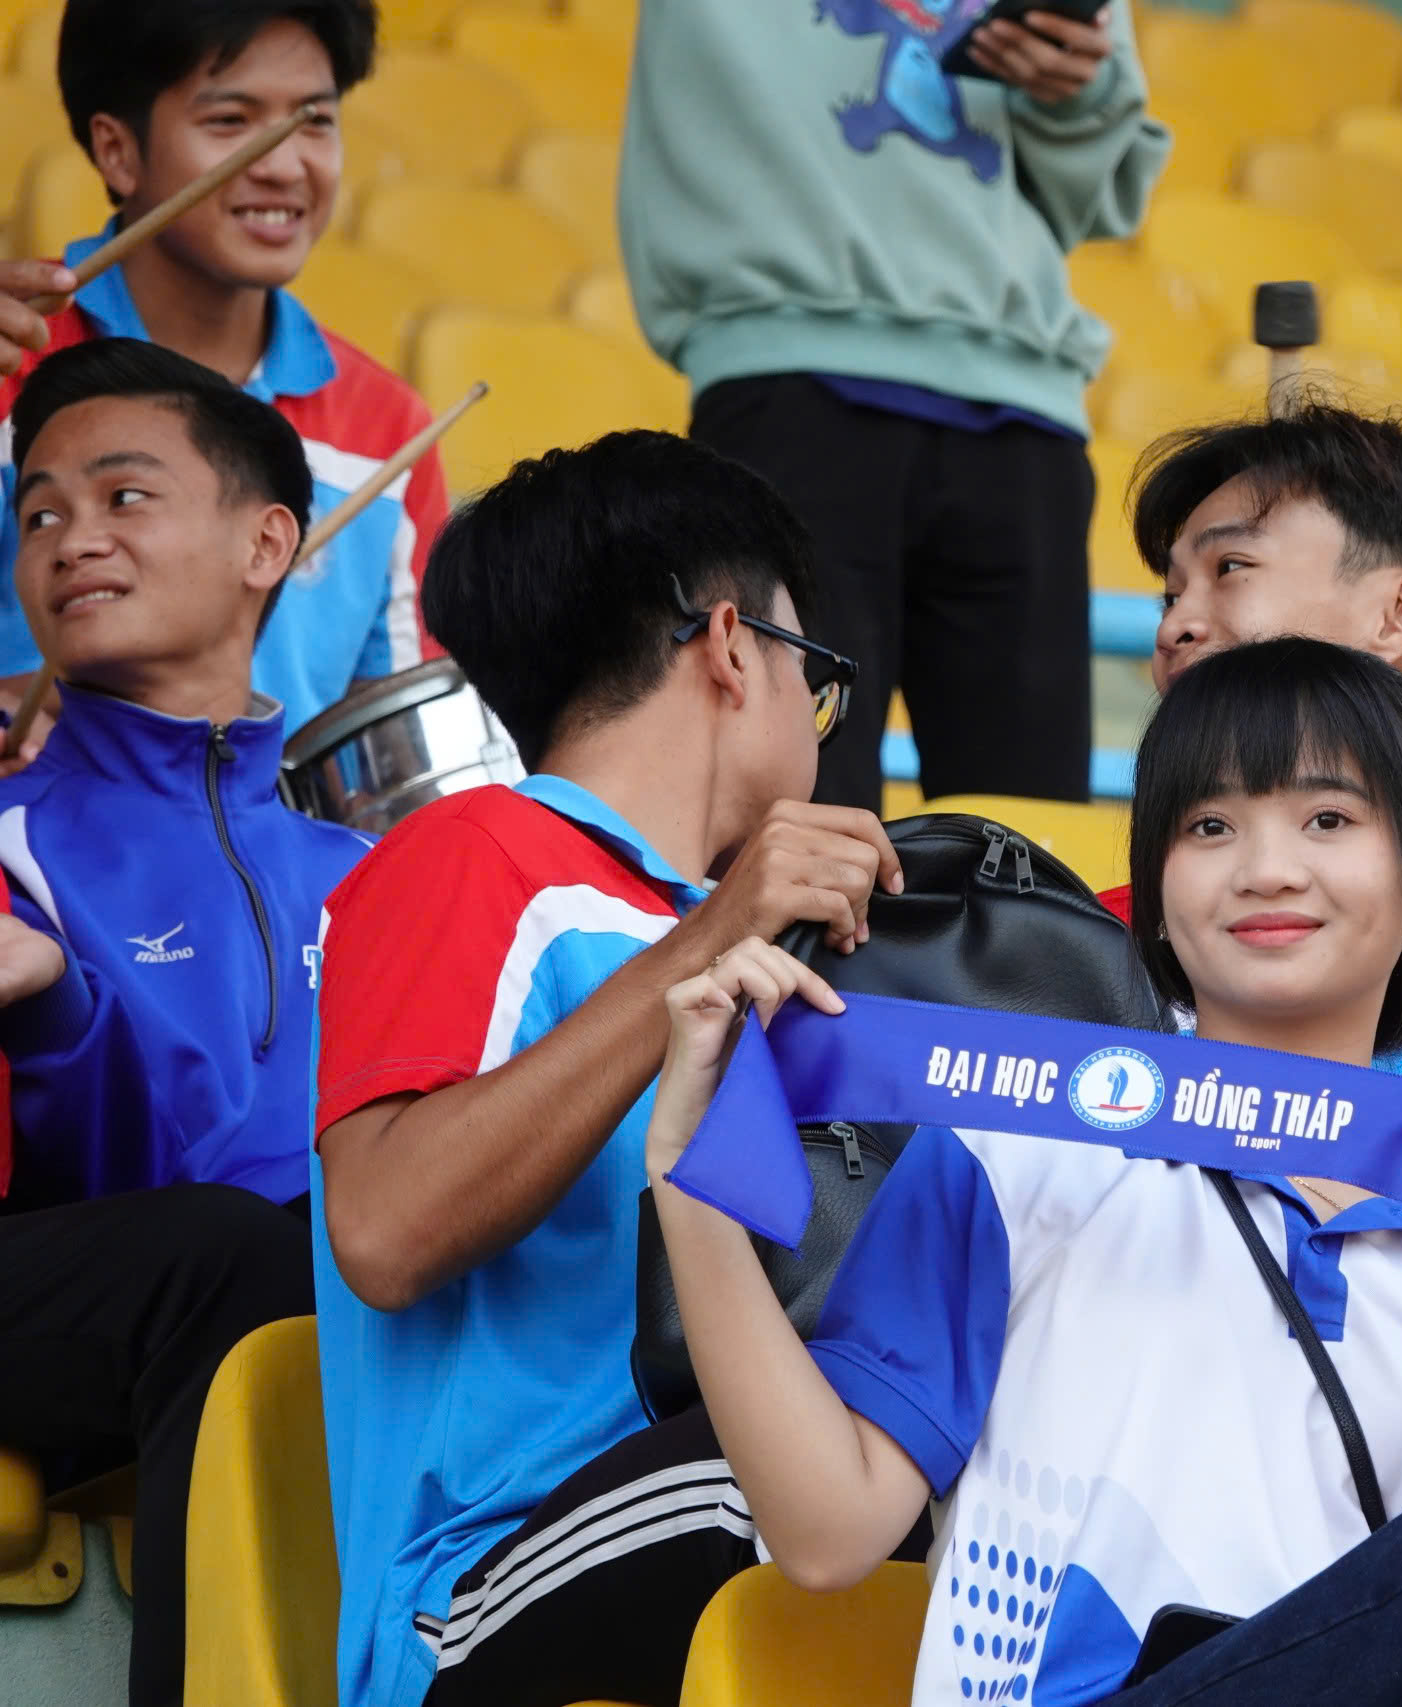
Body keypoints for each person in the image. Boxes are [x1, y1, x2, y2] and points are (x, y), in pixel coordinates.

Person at [642, 636, 1402, 1707]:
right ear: (1154, 894)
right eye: (1210, 825)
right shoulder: (1020, 1155)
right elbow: (827, 1535)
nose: (1267, 868)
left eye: (1328, 819)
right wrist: (690, 1185)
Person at [309, 431, 900, 1707]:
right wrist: (712, 935)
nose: (820, 724)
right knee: (828, 1481)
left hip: (679, 1531)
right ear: (736, 647)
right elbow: (383, 1228)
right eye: (823, 681)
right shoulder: (475, 853)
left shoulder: (735, 923)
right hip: (477, 1590)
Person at [0, 336, 371, 1706]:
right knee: (232, 1253)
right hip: (98, 1266)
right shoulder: (12, 819)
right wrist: (55, 1008)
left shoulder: (369, 875)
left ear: (268, 540)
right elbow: (100, 1185)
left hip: (262, 1284)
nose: (71, 538)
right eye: (39, 513)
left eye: (122, 496)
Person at [621, 0, 1170, 812]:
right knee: (792, 832)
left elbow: (1098, 183)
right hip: (787, 381)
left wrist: (1073, 89)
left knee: (1027, 858)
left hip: (1020, 407)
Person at [0, 0, 444, 755]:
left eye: (314, 120)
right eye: (231, 122)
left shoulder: (388, 426)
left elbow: (394, 751)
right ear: (118, 152)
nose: (282, 164)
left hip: (284, 870)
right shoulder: (13, 371)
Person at [1110, 405, 1402, 1086]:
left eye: (1230, 566)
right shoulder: (1084, 951)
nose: (1177, 628)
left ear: (1398, 612)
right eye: (1170, 597)